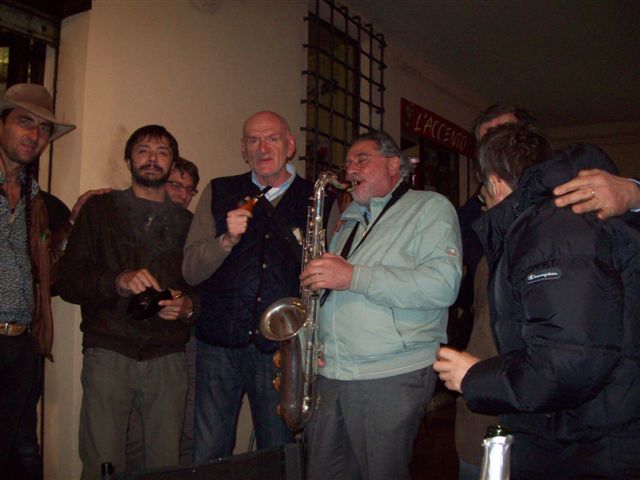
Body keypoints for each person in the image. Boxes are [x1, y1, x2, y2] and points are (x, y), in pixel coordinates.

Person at [434, 123, 640, 478]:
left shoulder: (549, 229)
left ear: (494, 183)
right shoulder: (557, 221)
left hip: (586, 445)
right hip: (587, 431)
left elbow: (569, 363)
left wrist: (474, 378)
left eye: (483, 190)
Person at [300, 131, 462, 479]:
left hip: (389, 375)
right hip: (332, 373)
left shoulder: (429, 207)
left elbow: (443, 285)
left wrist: (352, 276)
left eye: (362, 160)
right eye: (348, 163)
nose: (350, 170)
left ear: (393, 165)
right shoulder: (348, 221)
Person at [57, 125, 198, 479]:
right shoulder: (99, 210)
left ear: (172, 164)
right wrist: (117, 281)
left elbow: (205, 289)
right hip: (108, 351)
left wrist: (187, 306)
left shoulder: (188, 223)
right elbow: (67, 280)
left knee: (165, 464)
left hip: (168, 356)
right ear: (128, 159)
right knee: (102, 463)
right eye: (143, 150)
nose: (152, 158)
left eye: (162, 152)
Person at [183, 111, 308, 460]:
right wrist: (225, 240)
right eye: (253, 140)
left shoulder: (316, 197)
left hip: (281, 351)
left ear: (290, 145)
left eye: (272, 138)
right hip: (218, 347)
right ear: (243, 149)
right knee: (209, 452)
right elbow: (190, 270)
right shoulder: (218, 190)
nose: (262, 147)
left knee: (277, 454)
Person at [0, 83, 76, 480]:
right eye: (24, 121)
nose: (34, 135)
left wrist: (73, 222)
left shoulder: (35, 197)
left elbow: (47, 272)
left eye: (43, 128)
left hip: (20, 344)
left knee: (15, 453)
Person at [474, 103, 640, 221]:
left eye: (506, 134)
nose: (497, 147)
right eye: (487, 142)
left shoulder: (579, 170)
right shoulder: (477, 212)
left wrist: (634, 195)